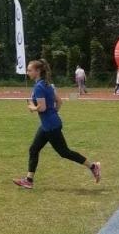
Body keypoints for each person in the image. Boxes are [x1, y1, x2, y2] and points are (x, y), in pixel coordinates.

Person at [13, 59, 101, 190]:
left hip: (50, 126)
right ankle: (29, 180)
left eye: (29, 70)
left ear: (37, 71)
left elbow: (41, 108)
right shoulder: (46, 84)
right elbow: (59, 102)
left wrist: (32, 107)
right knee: (34, 149)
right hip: (49, 124)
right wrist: (52, 114)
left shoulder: (39, 87)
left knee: (64, 152)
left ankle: (93, 166)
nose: (27, 72)